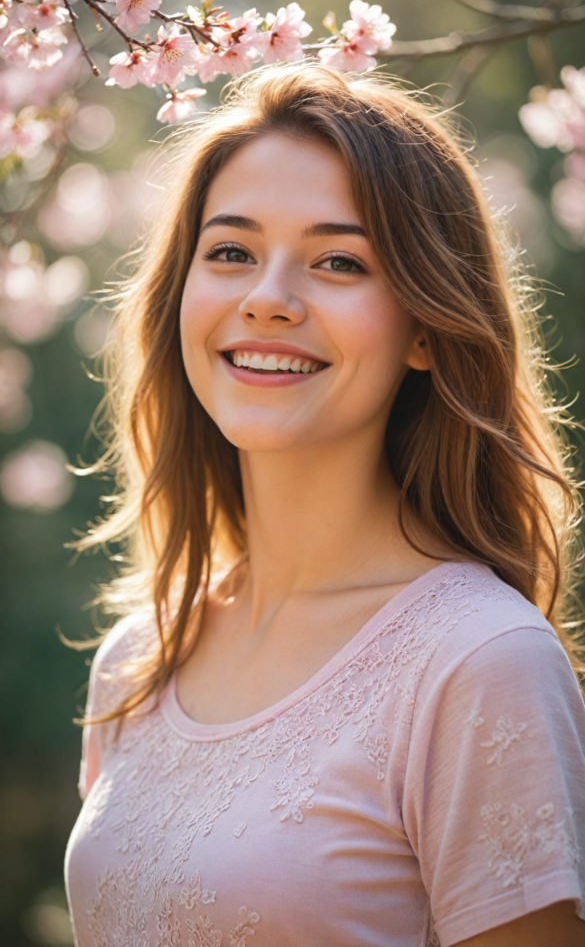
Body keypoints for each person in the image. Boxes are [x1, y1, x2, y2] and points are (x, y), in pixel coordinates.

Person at [65, 61, 585, 947]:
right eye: (230, 252)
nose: (266, 299)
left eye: (338, 261)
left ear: (426, 328)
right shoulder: (137, 660)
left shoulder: (479, 663)